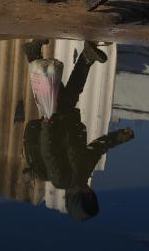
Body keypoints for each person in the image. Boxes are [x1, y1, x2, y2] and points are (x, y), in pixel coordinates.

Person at [21, 40, 132, 220]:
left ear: (79, 197)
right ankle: (81, 56)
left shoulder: (61, 180)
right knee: (69, 90)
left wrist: (48, 124)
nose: (90, 191)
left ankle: (42, 54)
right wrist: (120, 137)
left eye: (88, 196)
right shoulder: (83, 173)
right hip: (66, 122)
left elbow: (49, 152)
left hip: (55, 123)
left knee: (55, 86)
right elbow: (98, 147)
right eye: (92, 195)